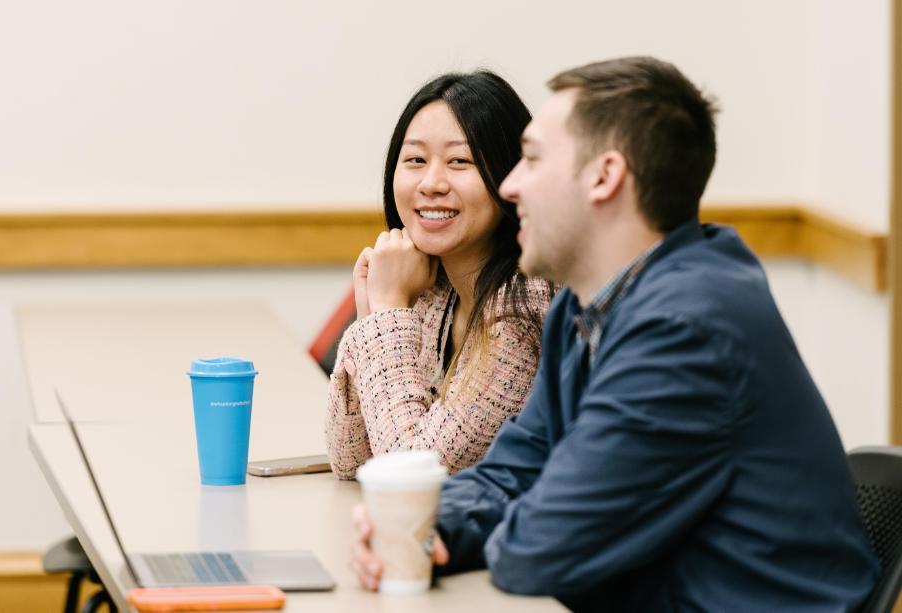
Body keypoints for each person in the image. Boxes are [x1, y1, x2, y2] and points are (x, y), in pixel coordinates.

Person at [350, 57, 879, 611]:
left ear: (604, 177)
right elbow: (511, 476)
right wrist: (429, 527)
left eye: (531, 159)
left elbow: (543, 546)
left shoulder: (686, 329)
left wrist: (443, 530)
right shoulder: (584, 309)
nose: (510, 184)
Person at [325, 71, 554, 479]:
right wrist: (372, 313)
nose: (431, 183)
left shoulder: (523, 306)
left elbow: (407, 473)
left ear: (509, 177)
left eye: (459, 161)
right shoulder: (438, 288)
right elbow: (351, 459)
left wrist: (388, 311)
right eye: (415, 160)